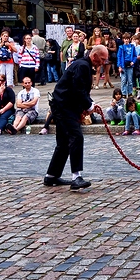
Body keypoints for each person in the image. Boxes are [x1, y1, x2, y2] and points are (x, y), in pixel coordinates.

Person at [45, 45, 103, 191]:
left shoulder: (83, 65)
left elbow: (80, 90)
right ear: (94, 56)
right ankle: (76, 177)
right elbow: (78, 90)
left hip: (64, 106)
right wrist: (89, 106)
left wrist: (87, 107)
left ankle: (51, 175)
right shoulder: (82, 66)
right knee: (76, 137)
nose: (103, 63)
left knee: (64, 142)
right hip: (64, 107)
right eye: (102, 59)